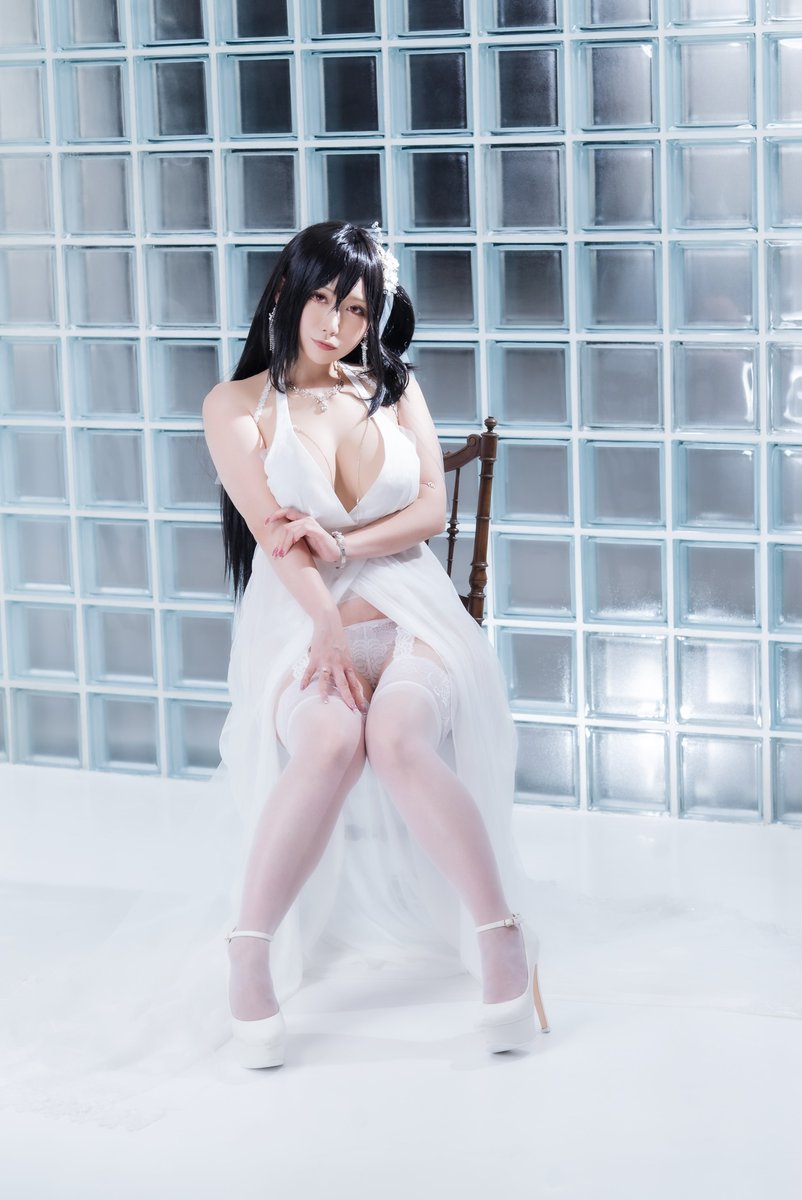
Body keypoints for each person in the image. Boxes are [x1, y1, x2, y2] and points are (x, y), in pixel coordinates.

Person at [202, 220, 549, 1068]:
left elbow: (430, 509)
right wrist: (325, 619)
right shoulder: (236, 406)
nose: (336, 323)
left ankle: (500, 933)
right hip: (302, 624)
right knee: (328, 740)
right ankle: (249, 948)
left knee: (396, 736)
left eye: (357, 309)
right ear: (287, 293)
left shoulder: (391, 387)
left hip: (416, 618)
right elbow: (271, 532)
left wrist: (344, 544)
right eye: (323, 299)